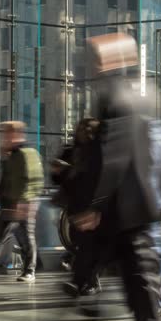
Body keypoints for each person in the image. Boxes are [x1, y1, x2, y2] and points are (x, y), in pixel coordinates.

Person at [72, 32, 161, 321]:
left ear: (112, 59)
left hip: (125, 206)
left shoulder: (114, 94)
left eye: (96, 55)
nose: (91, 61)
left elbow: (116, 152)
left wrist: (95, 204)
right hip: (133, 204)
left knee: (139, 282)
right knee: (137, 283)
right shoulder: (138, 94)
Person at [51, 118, 106, 297]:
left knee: (88, 246)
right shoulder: (71, 151)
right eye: (82, 129)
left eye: (88, 129)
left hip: (92, 207)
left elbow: (95, 179)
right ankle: (84, 280)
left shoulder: (98, 153)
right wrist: (58, 172)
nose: (84, 132)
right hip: (75, 207)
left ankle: (88, 281)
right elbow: (62, 180)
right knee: (78, 244)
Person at [0, 121, 44, 283]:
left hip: (24, 202)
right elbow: (5, 180)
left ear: (16, 135)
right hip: (10, 203)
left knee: (25, 235)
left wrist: (25, 203)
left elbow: (33, 179)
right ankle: (34, 263)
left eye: (7, 134)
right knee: (5, 231)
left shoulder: (27, 153)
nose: (4, 138)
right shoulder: (11, 155)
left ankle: (30, 269)